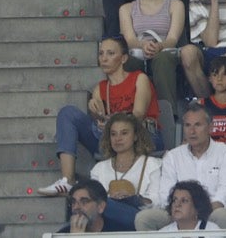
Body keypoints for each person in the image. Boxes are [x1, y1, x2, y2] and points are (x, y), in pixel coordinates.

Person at [40, 37, 162, 200]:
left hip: (143, 137)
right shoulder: (100, 88)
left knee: (122, 128)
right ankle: (67, 180)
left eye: (110, 53)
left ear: (124, 58)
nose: (104, 58)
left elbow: (138, 115)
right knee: (67, 113)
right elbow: (101, 123)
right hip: (112, 139)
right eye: (101, 53)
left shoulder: (139, 78)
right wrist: (96, 115)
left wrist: (110, 121)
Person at [89, 113, 165, 230]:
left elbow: (159, 201)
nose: (118, 138)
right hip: (106, 222)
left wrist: (135, 199)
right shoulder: (99, 169)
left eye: (124, 133)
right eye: (113, 134)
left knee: (104, 204)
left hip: (137, 218)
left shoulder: (152, 164)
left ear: (135, 136)